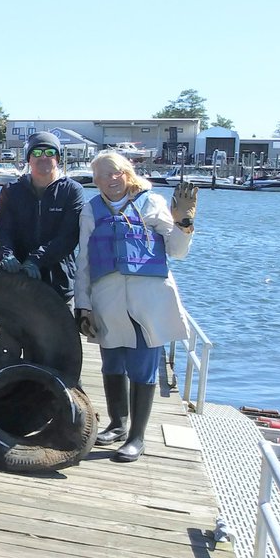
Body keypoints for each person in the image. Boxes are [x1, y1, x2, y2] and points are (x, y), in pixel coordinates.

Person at [74, 151, 198, 462]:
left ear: (127, 173)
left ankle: (137, 437)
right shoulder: (91, 211)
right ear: (95, 181)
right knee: (112, 363)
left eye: (115, 173)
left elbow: (177, 252)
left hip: (148, 301)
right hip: (109, 301)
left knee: (143, 367)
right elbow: (84, 264)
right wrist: (83, 306)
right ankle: (117, 424)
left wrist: (184, 223)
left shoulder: (152, 202)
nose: (110, 180)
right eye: (102, 175)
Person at [0, 131, 85, 303]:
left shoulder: (72, 191)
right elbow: (3, 229)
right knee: (10, 329)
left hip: (58, 282)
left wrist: (36, 260)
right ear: (29, 159)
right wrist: (6, 254)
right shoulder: (11, 190)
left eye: (50, 152)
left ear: (58, 158)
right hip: (17, 280)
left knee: (62, 329)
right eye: (36, 152)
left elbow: (68, 237)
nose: (43, 157)